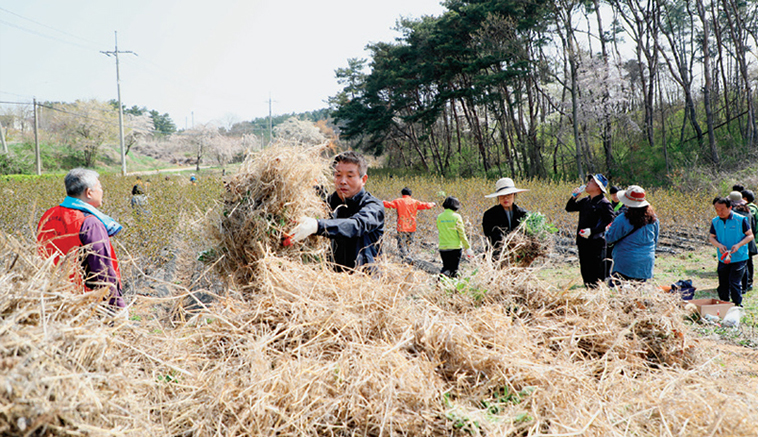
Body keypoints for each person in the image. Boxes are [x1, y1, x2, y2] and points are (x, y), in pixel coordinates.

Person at [37, 168, 126, 310]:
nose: (102, 191)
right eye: (100, 187)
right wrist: (116, 305)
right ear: (89, 192)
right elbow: (101, 269)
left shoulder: (48, 215)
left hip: (52, 298)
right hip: (84, 302)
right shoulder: (90, 222)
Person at [290, 151, 384, 272]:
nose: (342, 181)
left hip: (364, 282)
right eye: (338, 175)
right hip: (335, 281)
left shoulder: (373, 206)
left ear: (363, 179)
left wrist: (317, 226)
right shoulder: (330, 204)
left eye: (350, 176)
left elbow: (356, 225)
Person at [565, 174, 614, 287]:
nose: (587, 183)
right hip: (583, 242)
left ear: (598, 187)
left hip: (597, 244)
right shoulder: (585, 201)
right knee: (586, 272)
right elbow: (569, 208)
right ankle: (588, 291)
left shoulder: (604, 203)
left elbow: (610, 220)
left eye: (591, 181)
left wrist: (593, 231)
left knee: (597, 274)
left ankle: (598, 296)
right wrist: (574, 197)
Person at [605, 185, 659, 283]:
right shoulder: (654, 219)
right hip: (645, 264)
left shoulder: (622, 219)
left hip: (625, 263)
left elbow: (610, 238)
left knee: (620, 292)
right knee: (639, 293)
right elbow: (655, 241)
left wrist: (607, 230)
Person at [709, 196, 753, 306]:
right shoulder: (715, 221)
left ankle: (737, 305)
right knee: (723, 283)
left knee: (734, 282)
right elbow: (711, 237)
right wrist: (719, 245)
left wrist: (738, 245)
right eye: (717, 209)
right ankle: (724, 304)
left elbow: (750, 235)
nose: (720, 212)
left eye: (722, 209)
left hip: (739, 256)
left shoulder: (741, 219)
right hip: (723, 257)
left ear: (730, 207)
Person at [481, 177, 529, 261]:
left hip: (519, 255)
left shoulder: (523, 214)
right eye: (502, 195)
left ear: (514, 195)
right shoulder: (490, 214)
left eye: (509, 195)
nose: (505, 198)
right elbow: (491, 235)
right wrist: (507, 246)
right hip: (497, 256)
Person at [383, 187, 435, 261]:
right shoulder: (415, 202)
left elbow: (389, 205)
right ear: (410, 194)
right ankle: (408, 258)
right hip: (412, 227)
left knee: (401, 245)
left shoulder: (398, 201)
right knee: (408, 245)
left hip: (401, 227)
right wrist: (432, 204)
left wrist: (382, 201)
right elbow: (425, 205)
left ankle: (406, 260)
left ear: (402, 194)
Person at [436, 196, 473, 278]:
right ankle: (452, 287)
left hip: (443, 247)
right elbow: (461, 234)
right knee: (454, 270)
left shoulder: (440, 217)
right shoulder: (457, 217)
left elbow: (440, 230)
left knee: (446, 268)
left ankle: (440, 284)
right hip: (455, 247)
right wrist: (468, 247)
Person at [743, 189, 758, 291]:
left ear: (745, 199)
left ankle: (749, 282)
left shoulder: (751, 209)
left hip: (751, 238)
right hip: (751, 238)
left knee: (748, 261)